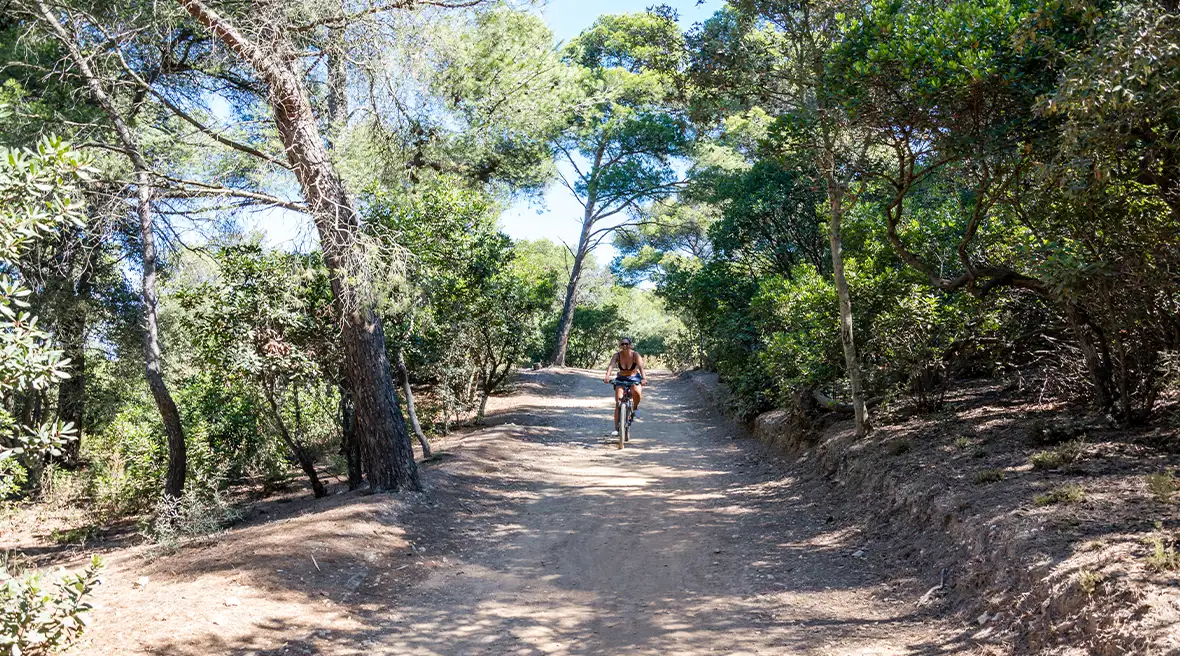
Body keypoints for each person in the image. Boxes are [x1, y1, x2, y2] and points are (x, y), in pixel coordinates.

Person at [603, 337, 647, 436]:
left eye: (626, 344)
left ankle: (635, 408)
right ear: (620, 346)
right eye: (622, 344)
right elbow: (611, 365)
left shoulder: (635, 355)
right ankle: (617, 429)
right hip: (621, 378)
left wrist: (644, 378)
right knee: (618, 402)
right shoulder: (617, 355)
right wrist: (607, 376)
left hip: (634, 378)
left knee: (637, 393)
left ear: (630, 345)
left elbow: (641, 367)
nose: (624, 346)